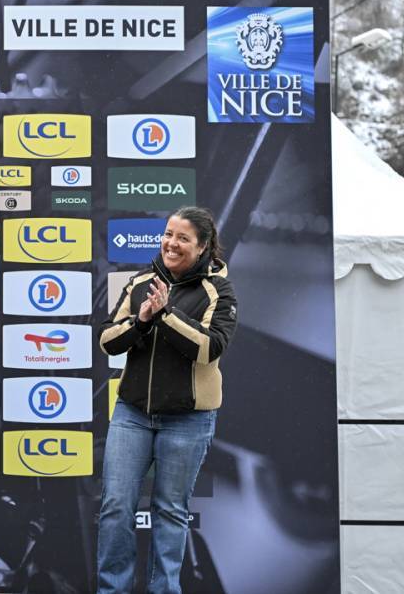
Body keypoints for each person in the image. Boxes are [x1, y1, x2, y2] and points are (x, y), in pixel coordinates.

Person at [96, 206, 237, 594]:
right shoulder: (141, 282)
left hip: (188, 420)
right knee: (115, 508)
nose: (171, 244)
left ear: (203, 246)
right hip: (133, 414)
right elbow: (107, 340)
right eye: (168, 234)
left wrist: (166, 314)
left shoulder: (219, 290)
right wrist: (141, 321)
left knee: (170, 512)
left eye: (183, 238)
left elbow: (209, 348)